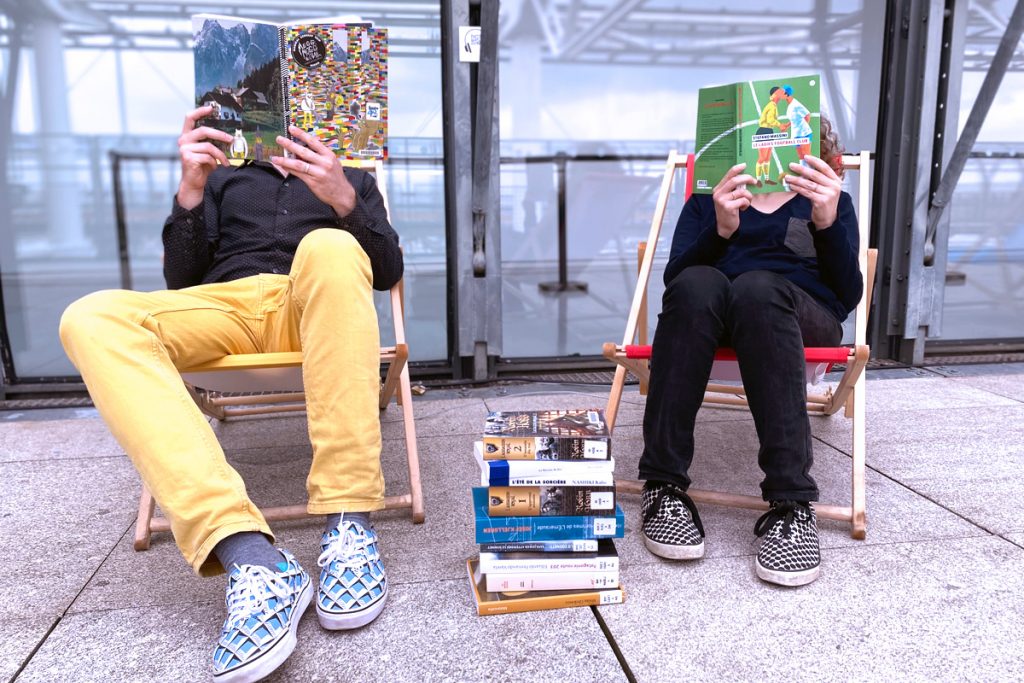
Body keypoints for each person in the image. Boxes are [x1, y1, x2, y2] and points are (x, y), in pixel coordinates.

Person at [59, 105, 402, 682]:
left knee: (333, 247)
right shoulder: (227, 176)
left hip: (317, 303)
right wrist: (191, 189)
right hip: (229, 307)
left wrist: (344, 197)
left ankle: (349, 516)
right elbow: (182, 279)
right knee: (90, 318)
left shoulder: (355, 178)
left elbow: (386, 269)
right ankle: (254, 557)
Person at [638, 116, 861, 587]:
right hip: (715, 317)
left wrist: (826, 222)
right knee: (697, 283)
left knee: (759, 289)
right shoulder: (712, 193)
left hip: (802, 316)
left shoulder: (823, 198)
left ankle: (792, 502)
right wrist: (720, 227)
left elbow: (846, 295)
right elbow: (675, 279)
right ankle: (663, 485)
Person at [754, 85, 786, 186]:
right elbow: (770, 120)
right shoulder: (772, 106)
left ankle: (766, 179)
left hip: (769, 131)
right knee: (762, 158)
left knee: (767, 158)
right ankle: (758, 180)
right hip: (764, 131)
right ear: (774, 94)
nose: (782, 95)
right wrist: (780, 125)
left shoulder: (773, 105)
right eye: (780, 93)